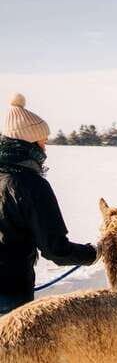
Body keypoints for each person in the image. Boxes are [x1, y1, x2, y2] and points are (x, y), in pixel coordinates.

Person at [0, 93, 99, 315]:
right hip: (10, 293)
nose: (45, 148)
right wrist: (93, 253)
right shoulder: (31, 185)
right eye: (43, 141)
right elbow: (55, 249)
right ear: (29, 142)